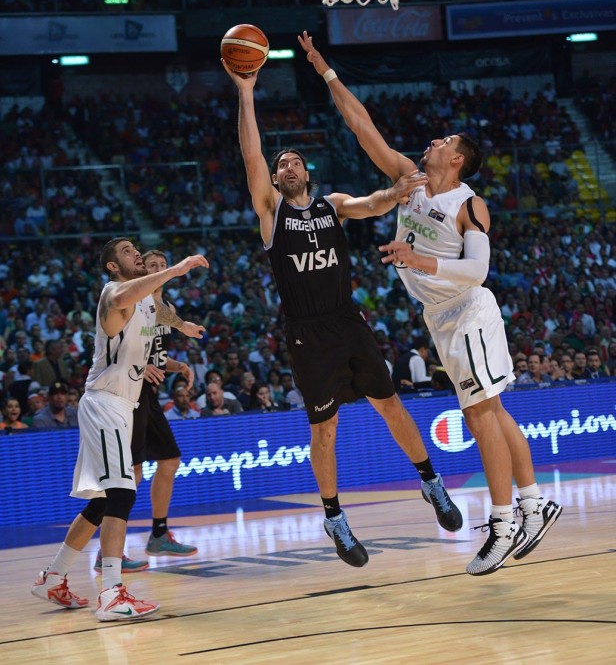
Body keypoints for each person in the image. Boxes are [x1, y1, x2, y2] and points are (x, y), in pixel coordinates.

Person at [297, 31, 562, 576]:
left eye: (444, 140)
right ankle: (534, 503)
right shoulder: (408, 180)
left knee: (480, 414)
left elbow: (479, 271)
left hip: (469, 310)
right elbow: (361, 125)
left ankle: (502, 521)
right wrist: (326, 71)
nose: (433, 142)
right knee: (493, 410)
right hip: (440, 317)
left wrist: (418, 261)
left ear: (459, 157)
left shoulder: (470, 205)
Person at [223, 55, 462, 571]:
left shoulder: (331, 204)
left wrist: (396, 192)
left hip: (347, 321)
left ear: (307, 172)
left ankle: (432, 483)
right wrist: (246, 93)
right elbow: (250, 158)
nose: (284, 167)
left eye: (293, 162)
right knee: (324, 431)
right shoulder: (272, 212)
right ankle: (333, 516)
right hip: (307, 333)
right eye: (280, 164)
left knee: (392, 406)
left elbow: (374, 203)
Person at [31, 237, 207, 620]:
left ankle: (53, 577)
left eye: (136, 250)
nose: (137, 255)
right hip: (105, 402)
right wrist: (175, 270)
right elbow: (127, 300)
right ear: (113, 266)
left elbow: (160, 313)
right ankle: (111, 592)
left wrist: (184, 325)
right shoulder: (113, 293)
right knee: (123, 493)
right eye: (127, 252)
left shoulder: (145, 299)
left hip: (124, 404)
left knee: (103, 502)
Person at [93, 248, 200, 574]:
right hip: (126, 392)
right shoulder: (127, 298)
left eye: (159, 265)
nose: (153, 268)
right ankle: (109, 553)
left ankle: (157, 533)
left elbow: (149, 349)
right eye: (148, 265)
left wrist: (174, 363)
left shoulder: (160, 308)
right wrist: (150, 366)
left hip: (147, 393)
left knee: (169, 459)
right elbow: (131, 351)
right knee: (129, 474)